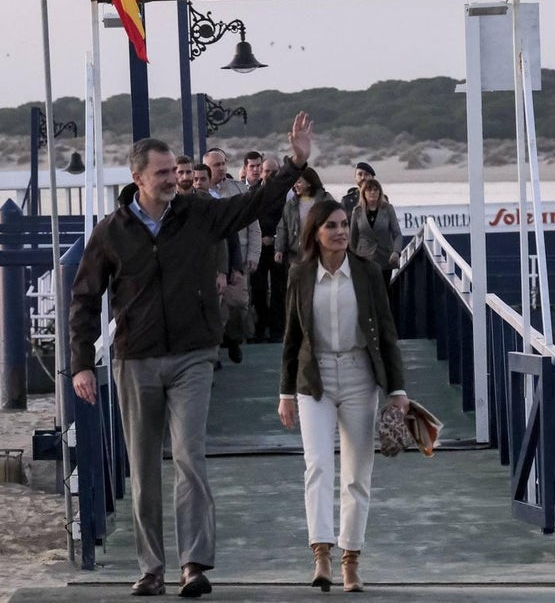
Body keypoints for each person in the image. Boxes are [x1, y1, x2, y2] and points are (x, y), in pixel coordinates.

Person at [69, 113, 314, 598]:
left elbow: (252, 203)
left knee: (189, 457)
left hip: (193, 355)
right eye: (161, 173)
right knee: (143, 466)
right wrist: (80, 363)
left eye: (173, 171)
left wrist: (295, 163)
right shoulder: (111, 232)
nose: (172, 179)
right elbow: (84, 298)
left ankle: (193, 566)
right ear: (137, 177)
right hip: (135, 358)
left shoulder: (199, 213)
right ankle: (151, 569)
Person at [277, 199, 408, 594]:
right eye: (330, 226)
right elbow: (291, 336)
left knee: (357, 472)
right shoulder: (300, 274)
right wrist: (285, 393)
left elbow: (386, 331)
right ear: (315, 233)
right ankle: (321, 554)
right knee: (317, 466)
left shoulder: (367, 272)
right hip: (313, 377)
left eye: (342, 225)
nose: (339, 232)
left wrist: (397, 390)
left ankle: (351, 559)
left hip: (358, 375)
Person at [204, 148, 261, 363]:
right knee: (215, 308)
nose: (221, 168)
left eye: (223, 164)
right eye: (216, 165)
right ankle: (215, 351)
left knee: (238, 304)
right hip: (211, 263)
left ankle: (234, 339)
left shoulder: (239, 190)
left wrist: (254, 255)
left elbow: (253, 226)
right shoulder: (200, 194)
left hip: (239, 258)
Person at [251, 156, 287, 342]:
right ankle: (261, 328)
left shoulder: (286, 194)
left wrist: (274, 239)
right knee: (258, 289)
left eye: (274, 172)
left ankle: (276, 331)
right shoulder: (252, 193)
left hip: (278, 248)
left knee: (279, 291)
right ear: (261, 172)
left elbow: (287, 222)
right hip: (258, 248)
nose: (270, 175)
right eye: (267, 171)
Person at [274, 167, 333, 266]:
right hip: (296, 255)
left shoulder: (325, 200)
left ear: (309, 183)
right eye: (294, 182)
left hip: (320, 253)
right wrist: (279, 249)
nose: (295, 185)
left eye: (299, 182)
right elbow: (282, 228)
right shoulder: (291, 204)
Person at [349, 177, 403, 284]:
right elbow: (352, 238)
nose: (372, 192)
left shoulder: (388, 209)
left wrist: (396, 252)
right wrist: (355, 259)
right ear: (363, 193)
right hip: (364, 259)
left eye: (375, 189)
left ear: (380, 192)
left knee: (383, 290)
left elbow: (397, 234)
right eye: (369, 190)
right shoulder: (357, 211)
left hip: (385, 258)